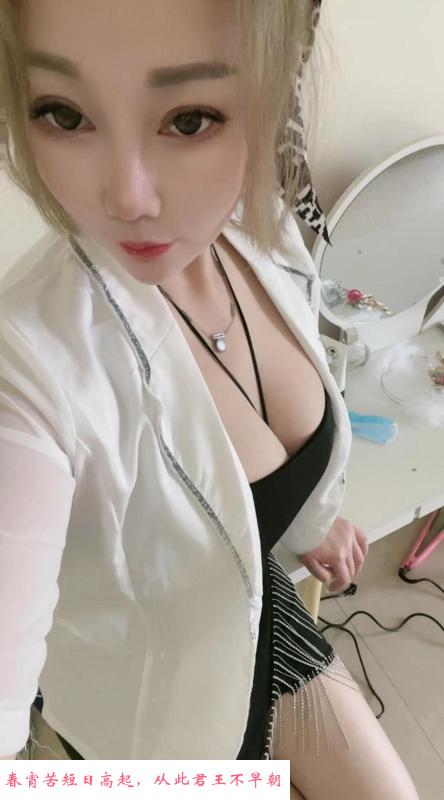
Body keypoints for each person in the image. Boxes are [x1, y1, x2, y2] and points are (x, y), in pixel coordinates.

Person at [0, 1, 420, 797]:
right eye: (64, 113)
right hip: (156, 713)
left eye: (189, 119)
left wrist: (311, 526)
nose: (126, 197)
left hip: (260, 618)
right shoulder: (29, 370)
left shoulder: (258, 232)